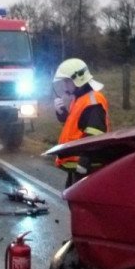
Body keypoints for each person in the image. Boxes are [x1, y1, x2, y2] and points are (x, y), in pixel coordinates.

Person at [52, 58, 110, 188]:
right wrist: (61, 112)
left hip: (86, 165)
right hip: (78, 164)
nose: (64, 85)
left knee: (83, 205)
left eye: (67, 81)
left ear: (78, 80)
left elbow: (95, 135)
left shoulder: (92, 102)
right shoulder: (80, 99)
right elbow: (74, 126)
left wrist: (84, 162)